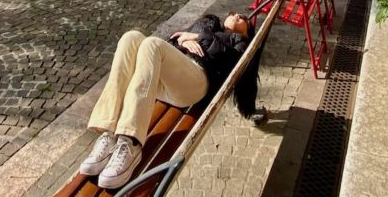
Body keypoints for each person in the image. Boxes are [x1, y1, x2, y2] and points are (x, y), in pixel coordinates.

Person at [79, 11, 258, 190]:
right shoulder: (211, 23)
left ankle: (130, 141)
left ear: (247, 31)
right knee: (131, 37)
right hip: (164, 79)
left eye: (242, 18)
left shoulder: (239, 42)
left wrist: (196, 37)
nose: (236, 16)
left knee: (152, 43)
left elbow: (231, 59)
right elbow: (173, 40)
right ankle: (108, 131)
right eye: (234, 14)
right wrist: (183, 40)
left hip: (195, 80)